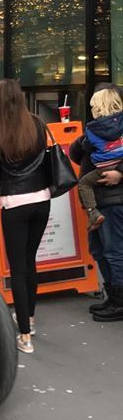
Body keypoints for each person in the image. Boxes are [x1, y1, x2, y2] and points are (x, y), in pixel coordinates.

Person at [0, 79, 50, 354]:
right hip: (42, 200)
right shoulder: (36, 123)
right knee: (30, 263)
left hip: (15, 203)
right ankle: (30, 321)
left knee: (18, 269)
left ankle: (24, 336)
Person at [70, 84, 123, 322]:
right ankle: (113, 297)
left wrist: (120, 172)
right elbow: (76, 152)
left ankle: (119, 301)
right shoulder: (95, 131)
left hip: (113, 200)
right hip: (101, 200)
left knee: (113, 251)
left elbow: (75, 154)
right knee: (101, 250)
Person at [75, 88, 123, 231]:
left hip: (104, 168)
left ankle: (93, 212)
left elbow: (84, 148)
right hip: (118, 163)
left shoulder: (92, 128)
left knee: (84, 183)